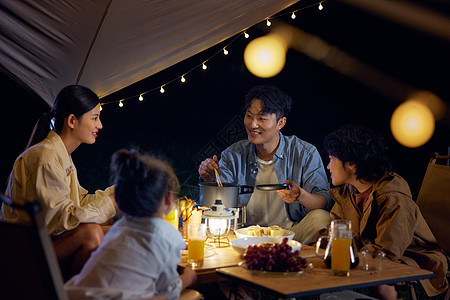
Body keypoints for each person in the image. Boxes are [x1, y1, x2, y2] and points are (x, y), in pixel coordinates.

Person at [1, 85, 117, 278]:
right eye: (95, 118)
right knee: (92, 233)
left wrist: (117, 194)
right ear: (72, 120)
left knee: (108, 223)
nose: (100, 125)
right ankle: (70, 292)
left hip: (42, 243)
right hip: (22, 253)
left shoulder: (60, 154)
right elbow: (61, 220)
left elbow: (77, 203)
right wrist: (112, 202)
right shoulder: (45, 156)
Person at [324, 124, 448, 299]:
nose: (328, 166)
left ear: (351, 163)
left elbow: (387, 252)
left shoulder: (393, 198)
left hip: (416, 267)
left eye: (331, 159)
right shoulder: (349, 192)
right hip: (368, 261)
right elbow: (336, 233)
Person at [198, 85, 331, 243]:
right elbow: (220, 204)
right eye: (249, 116)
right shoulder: (233, 154)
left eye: (261, 119)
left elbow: (323, 202)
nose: (253, 124)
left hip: (290, 235)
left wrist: (300, 195)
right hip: (245, 235)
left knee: (322, 218)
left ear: (280, 123)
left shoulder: (305, 153)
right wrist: (211, 179)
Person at [64, 149, 198, 300]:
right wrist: (190, 276)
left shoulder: (118, 229)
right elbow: (168, 290)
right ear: (168, 199)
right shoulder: (165, 234)